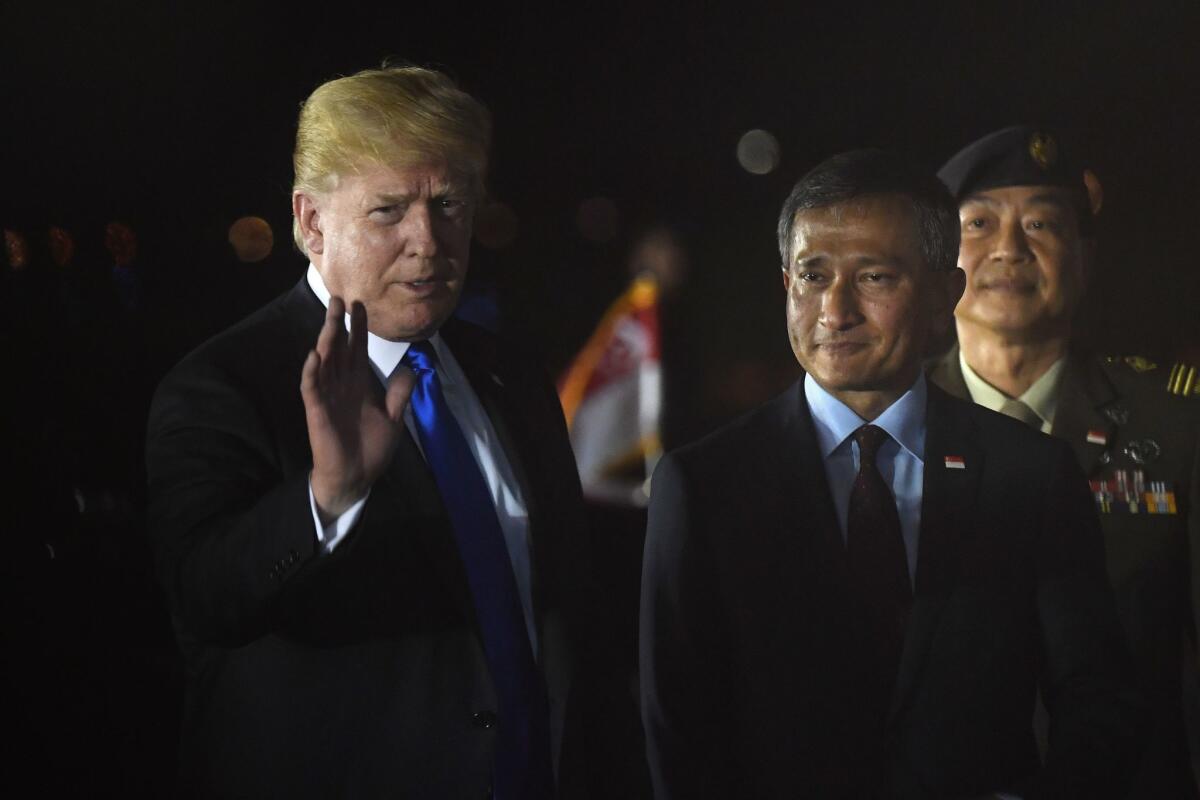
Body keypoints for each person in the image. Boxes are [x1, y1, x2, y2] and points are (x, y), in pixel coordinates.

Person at [147, 65, 597, 798]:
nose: (428, 242)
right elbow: (204, 600)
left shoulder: (508, 373)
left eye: (449, 204)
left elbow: (562, 609)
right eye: (388, 211)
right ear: (311, 221)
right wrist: (326, 498)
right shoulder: (222, 384)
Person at [640, 149, 1145, 799]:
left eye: (874, 277)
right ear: (785, 286)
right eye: (812, 275)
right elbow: (678, 735)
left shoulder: (1031, 474)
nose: (835, 310)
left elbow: (1098, 700)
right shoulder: (704, 487)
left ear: (944, 294)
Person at [930, 124, 1200, 797]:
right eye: (980, 224)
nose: (1008, 250)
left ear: (1083, 256)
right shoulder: (890, 425)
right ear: (936, 260)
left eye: (1042, 225)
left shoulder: (1176, 423)